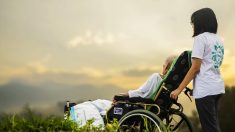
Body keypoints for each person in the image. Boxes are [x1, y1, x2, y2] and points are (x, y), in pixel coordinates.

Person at [170, 8, 225, 132]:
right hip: (217, 87)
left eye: (193, 22)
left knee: (210, 128)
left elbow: (195, 67)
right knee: (214, 126)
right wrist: (196, 87)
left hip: (206, 91)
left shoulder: (201, 38)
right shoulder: (218, 40)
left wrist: (179, 89)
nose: (193, 25)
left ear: (200, 22)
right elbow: (211, 65)